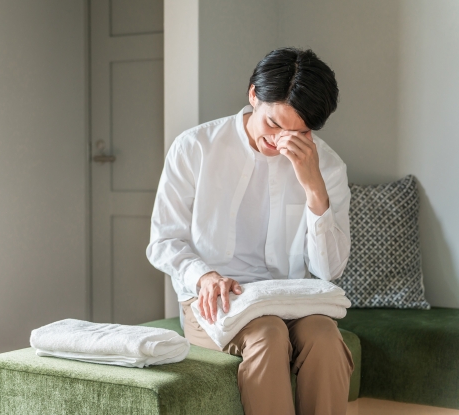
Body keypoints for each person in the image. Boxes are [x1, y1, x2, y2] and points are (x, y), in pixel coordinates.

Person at [146, 47, 355, 415]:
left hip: (292, 298)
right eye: (274, 125)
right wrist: (204, 276)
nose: (282, 142)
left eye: (300, 131)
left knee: (324, 336)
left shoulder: (328, 166)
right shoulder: (194, 147)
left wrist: (313, 188)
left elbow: (329, 271)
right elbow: (164, 240)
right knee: (268, 333)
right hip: (215, 302)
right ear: (253, 95)